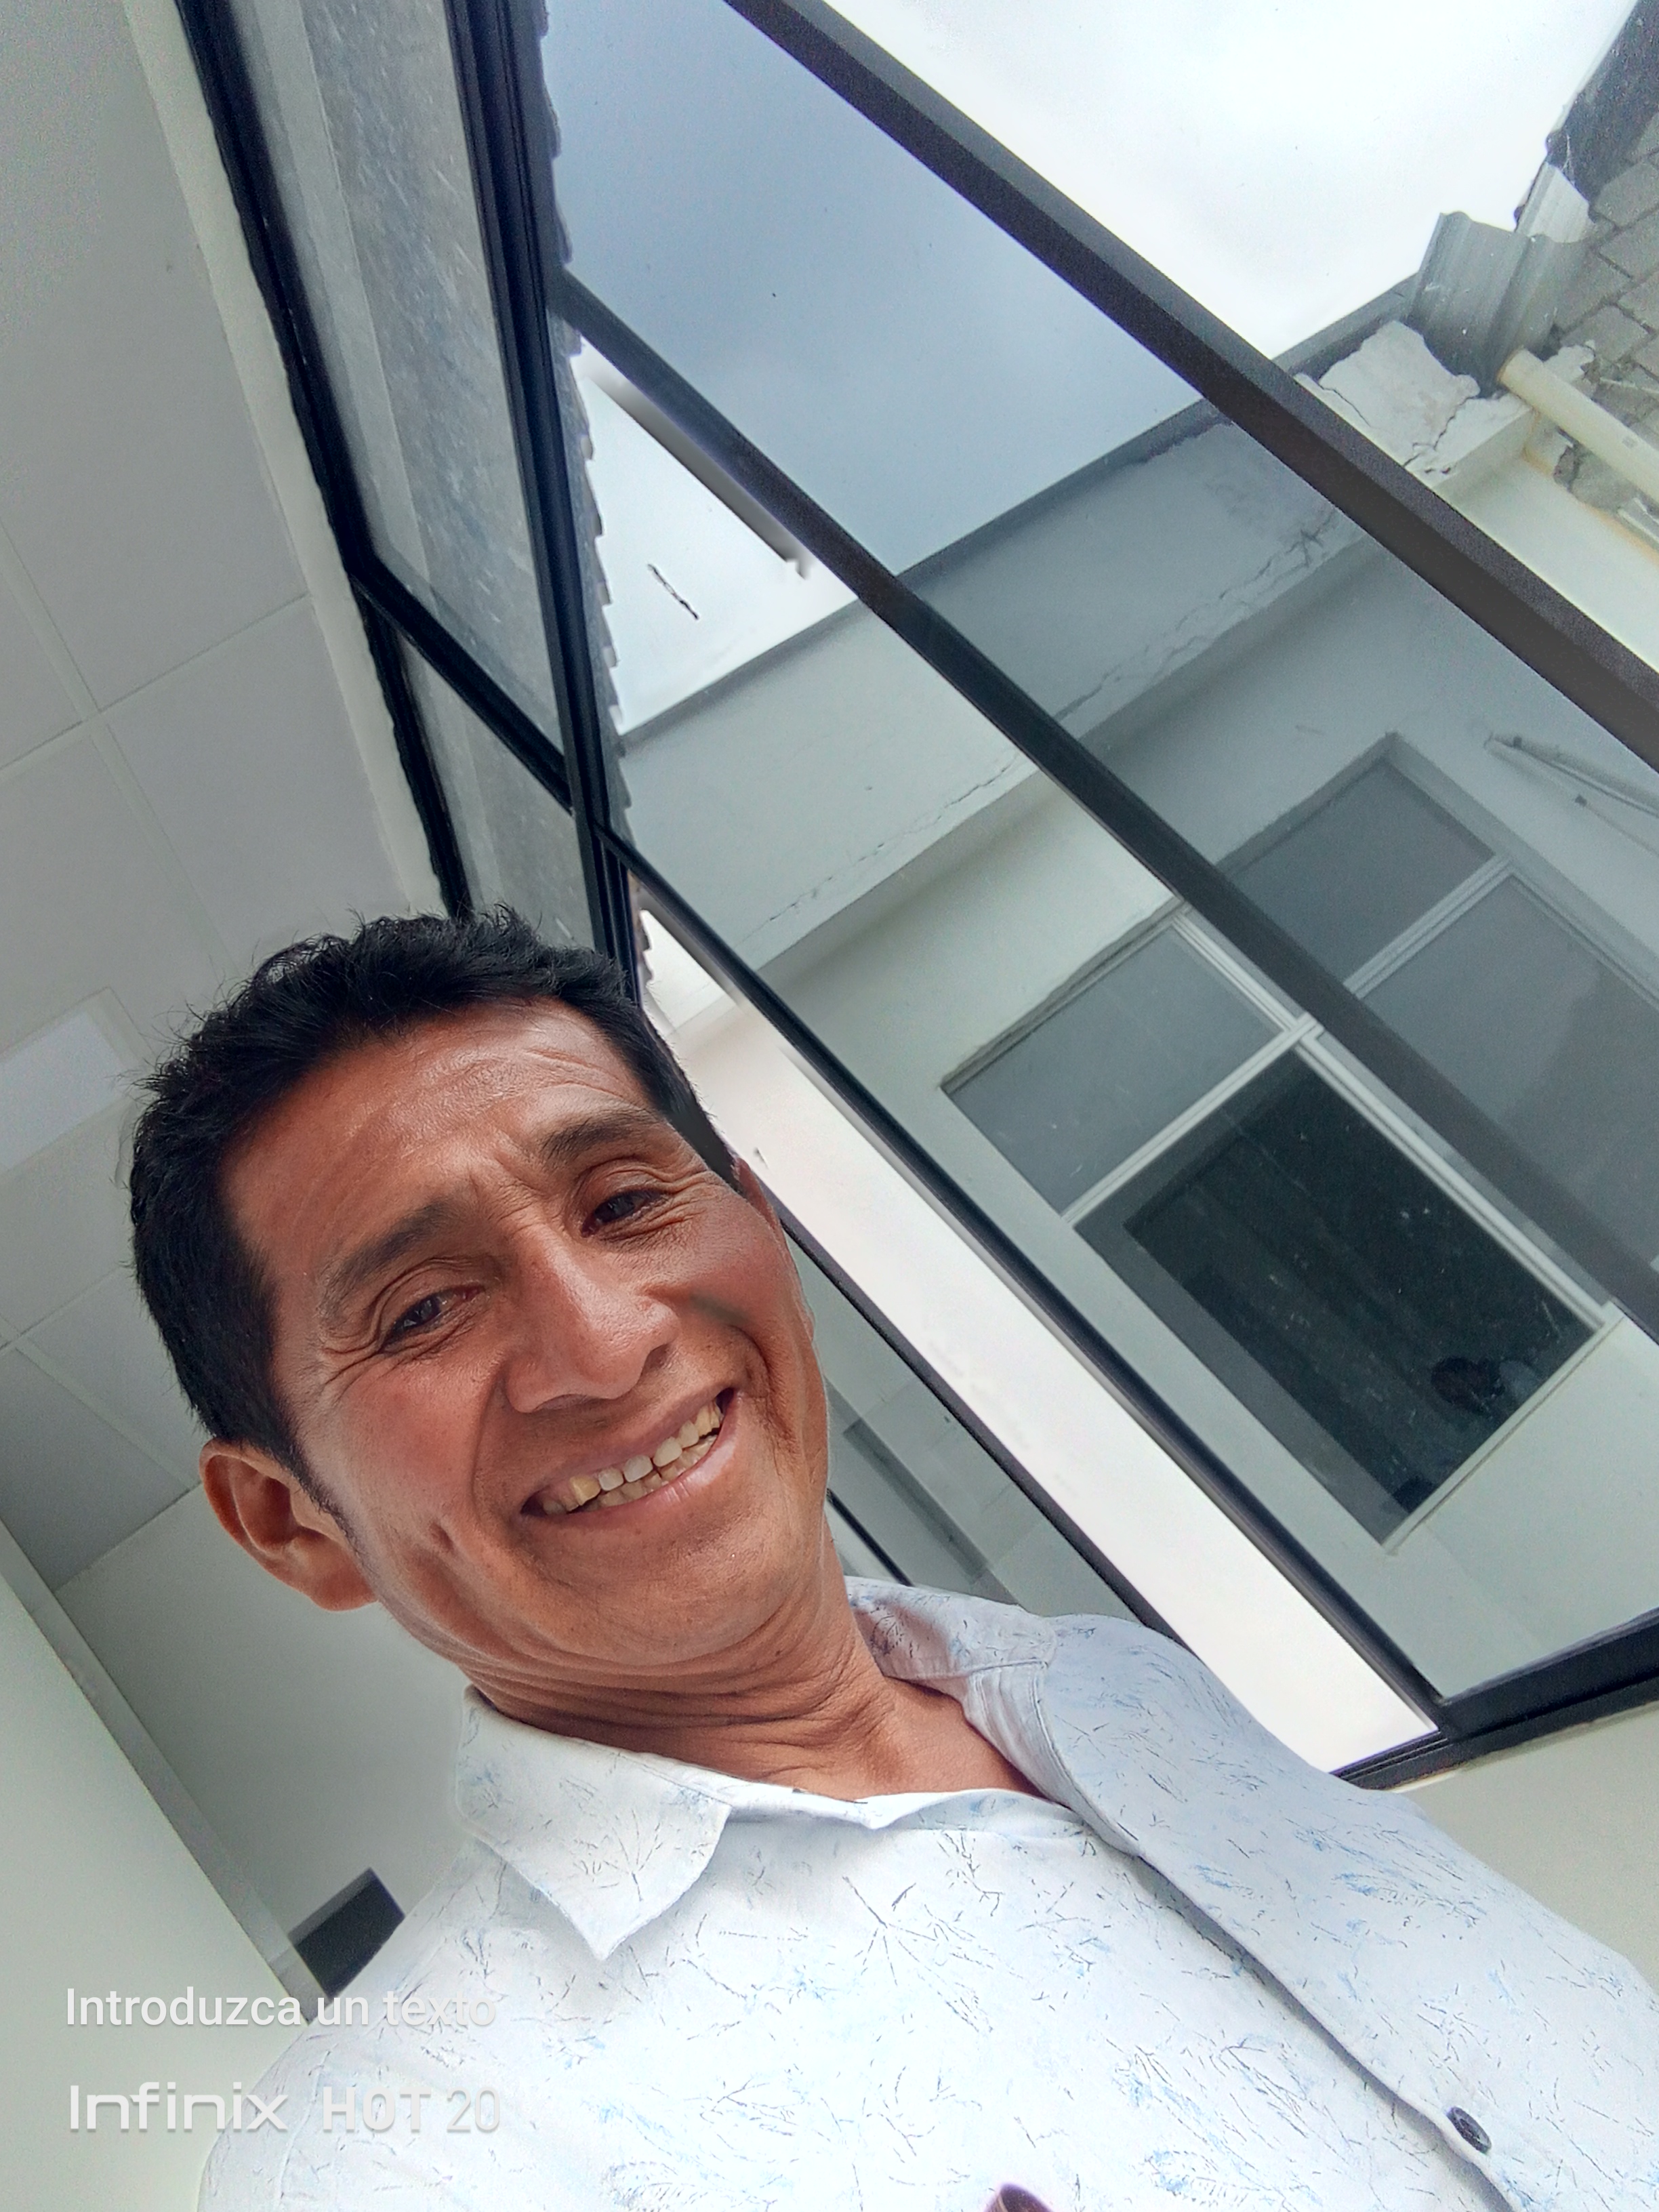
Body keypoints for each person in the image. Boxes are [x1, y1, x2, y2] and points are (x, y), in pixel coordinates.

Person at [129, 909, 1657, 2212]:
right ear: (291, 1523)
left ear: (759, 1228)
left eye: (628, 1203)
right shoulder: (397, 2161)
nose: (604, 1344)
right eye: (420, 1311)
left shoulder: (1109, 1684)